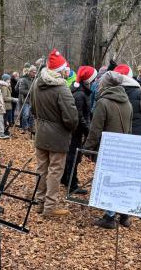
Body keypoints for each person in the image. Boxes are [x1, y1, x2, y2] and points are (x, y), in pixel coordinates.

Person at [30, 49, 78, 218]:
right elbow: (71, 117)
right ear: (59, 71)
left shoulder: (37, 84)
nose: (67, 71)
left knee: (42, 169)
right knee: (55, 171)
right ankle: (50, 207)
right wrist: (69, 128)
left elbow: (33, 108)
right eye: (65, 69)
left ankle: (40, 203)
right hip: (58, 135)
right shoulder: (62, 88)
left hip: (41, 132)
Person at [84, 71, 133, 229]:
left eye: (101, 82)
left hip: (108, 148)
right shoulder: (127, 102)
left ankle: (109, 217)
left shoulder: (103, 102)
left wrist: (88, 148)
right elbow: (130, 129)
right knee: (121, 180)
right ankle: (124, 215)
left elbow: (95, 129)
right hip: (124, 147)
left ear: (105, 84)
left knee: (109, 181)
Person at [61, 65, 97, 194]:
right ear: (88, 80)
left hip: (77, 130)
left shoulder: (80, 91)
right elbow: (79, 116)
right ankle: (72, 184)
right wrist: (88, 130)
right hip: (75, 131)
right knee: (73, 157)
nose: (95, 81)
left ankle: (65, 179)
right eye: (93, 79)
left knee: (72, 156)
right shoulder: (80, 95)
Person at [114, 64, 141, 136]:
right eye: (140, 72)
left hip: (116, 129)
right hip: (137, 128)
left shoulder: (109, 91)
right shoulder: (139, 91)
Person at [17, 66, 36, 131]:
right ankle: (24, 127)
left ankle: (31, 127)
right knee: (25, 115)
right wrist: (30, 92)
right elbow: (21, 90)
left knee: (32, 115)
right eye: (33, 72)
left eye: (35, 72)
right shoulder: (23, 79)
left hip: (32, 100)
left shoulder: (34, 79)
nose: (34, 74)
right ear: (30, 72)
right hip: (26, 100)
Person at [0, 74, 15, 139]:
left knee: (7, 119)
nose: (9, 80)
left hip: (8, 106)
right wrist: (13, 99)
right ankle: (5, 132)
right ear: (5, 80)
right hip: (6, 106)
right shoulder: (4, 87)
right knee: (6, 120)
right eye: (8, 79)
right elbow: (4, 98)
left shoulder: (7, 86)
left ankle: (6, 131)